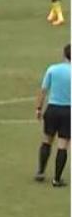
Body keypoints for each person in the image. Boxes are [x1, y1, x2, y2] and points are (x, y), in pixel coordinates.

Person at [35, 44, 71, 187]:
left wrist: (38, 108)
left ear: (64, 54)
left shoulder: (52, 69)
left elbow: (43, 90)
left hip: (52, 109)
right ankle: (57, 179)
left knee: (47, 140)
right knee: (63, 145)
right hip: (68, 111)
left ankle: (40, 172)